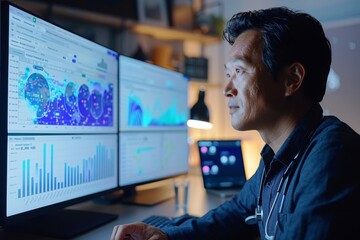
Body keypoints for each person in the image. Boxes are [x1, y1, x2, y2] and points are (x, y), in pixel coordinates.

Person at [111, 6, 360, 240]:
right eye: (228, 74)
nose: (227, 89)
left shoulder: (332, 155)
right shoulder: (278, 157)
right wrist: (167, 235)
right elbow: (237, 212)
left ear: (291, 79)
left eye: (239, 71)